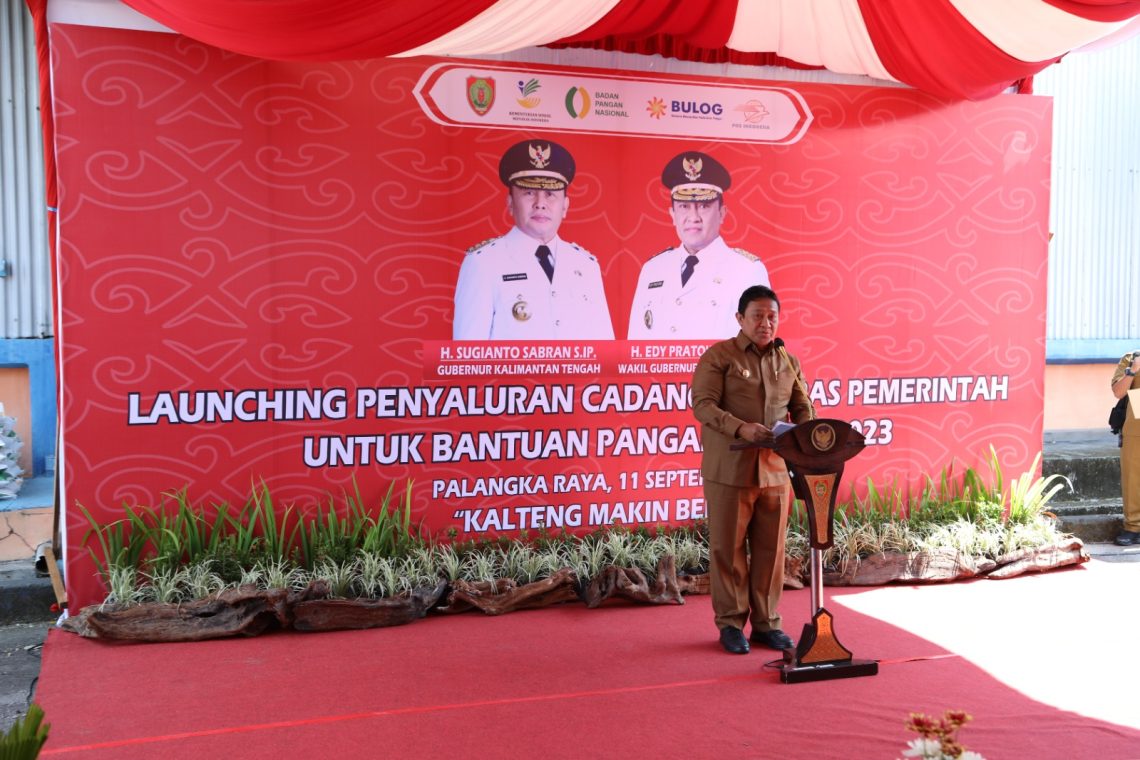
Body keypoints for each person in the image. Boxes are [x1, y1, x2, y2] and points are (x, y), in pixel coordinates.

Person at [691, 285, 814, 654]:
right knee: (728, 551)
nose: (765, 323)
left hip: (776, 472)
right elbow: (702, 405)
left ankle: (766, 624)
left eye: (772, 316)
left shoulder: (787, 360)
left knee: (770, 552)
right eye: (758, 316)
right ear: (740, 319)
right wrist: (740, 427)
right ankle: (730, 624)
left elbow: (802, 406)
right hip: (730, 469)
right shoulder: (719, 356)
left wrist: (808, 434)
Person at [452, 139, 614, 340]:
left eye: (550, 194)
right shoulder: (483, 263)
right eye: (529, 193)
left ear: (565, 206)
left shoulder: (586, 264)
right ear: (510, 203)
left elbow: (605, 350)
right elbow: (467, 358)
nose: (540, 204)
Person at [627, 151, 770, 339]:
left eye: (704, 206)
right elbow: (636, 346)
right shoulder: (653, 269)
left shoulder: (746, 270)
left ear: (722, 213)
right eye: (684, 207)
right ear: (672, 214)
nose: (693, 217)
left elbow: (760, 347)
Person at [1112, 351, 1140, 546]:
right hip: (1136, 421)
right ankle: (1132, 527)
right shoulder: (1131, 358)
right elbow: (1118, 393)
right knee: (1132, 478)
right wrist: (1133, 371)